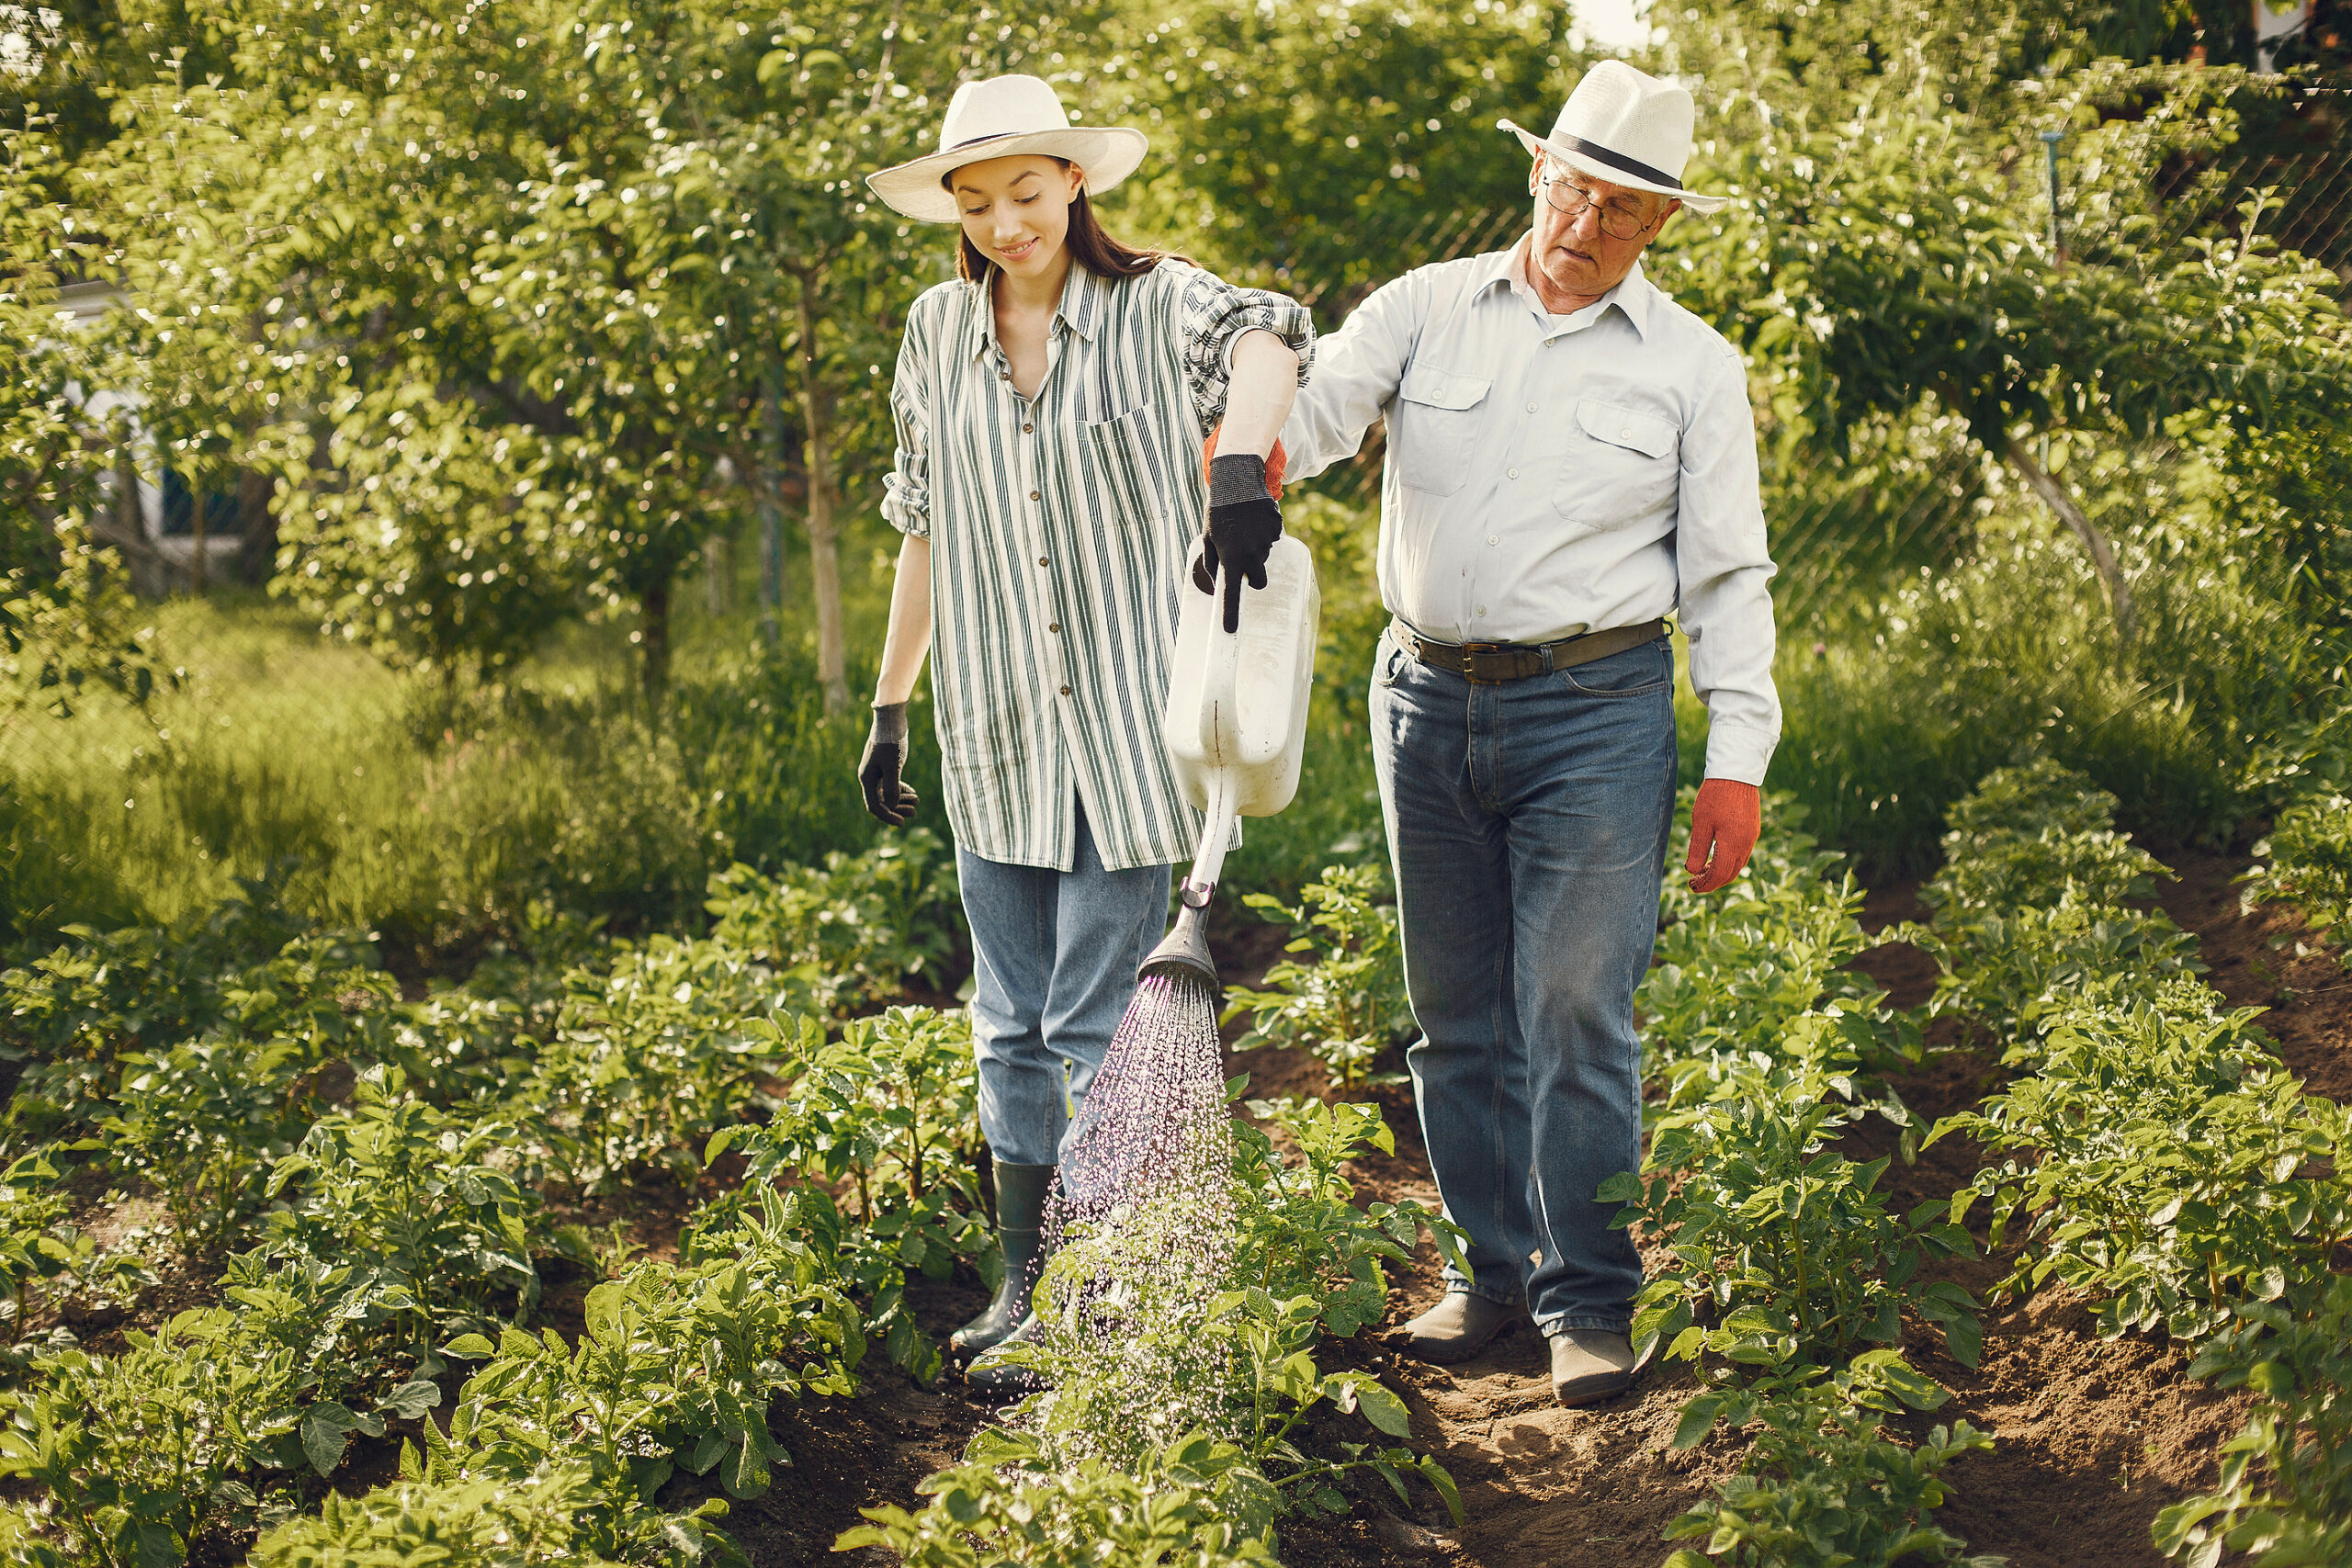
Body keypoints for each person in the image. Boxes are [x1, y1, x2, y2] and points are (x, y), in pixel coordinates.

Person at [1276, 60, 1779, 1407]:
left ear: (1661, 224)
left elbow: (1729, 575)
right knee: (1453, 1014)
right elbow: (1312, 419)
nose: (1588, 225)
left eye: (1624, 210)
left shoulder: (1692, 367)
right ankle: (1488, 1273)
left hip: (1595, 712)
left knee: (1572, 1009)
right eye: (1575, 190)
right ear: (1538, 171)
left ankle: (1589, 1295)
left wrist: (1736, 759)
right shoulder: (1426, 309)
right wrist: (1247, 426)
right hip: (1424, 700)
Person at [859, 73, 1313, 1387]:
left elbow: (1273, 338)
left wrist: (1239, 465)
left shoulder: (1157, 304)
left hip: (1126, 731)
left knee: (1090, 1020)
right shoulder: (934, 333)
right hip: (994, 728)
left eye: (1027, 192)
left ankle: (1101, 1291)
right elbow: (924, 530)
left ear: (1074, 183)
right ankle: (1024, 1280)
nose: (1006, 224)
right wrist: (891, 704)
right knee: (1006, 1022)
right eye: (977, 204)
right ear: (954, 211)